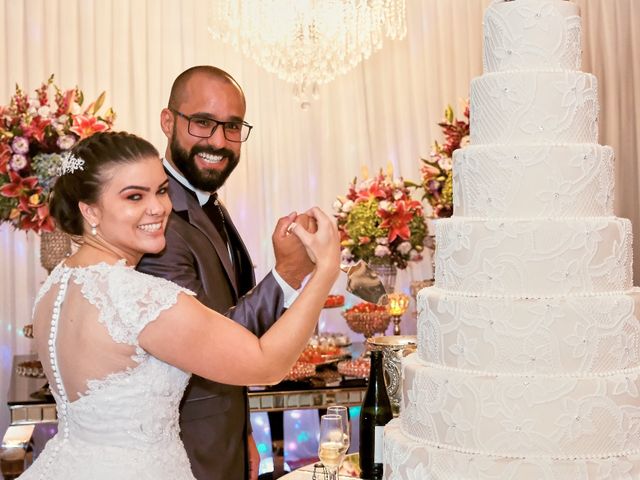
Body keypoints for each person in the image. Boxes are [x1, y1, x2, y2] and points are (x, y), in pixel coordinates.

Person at [17, 131, 339, 480]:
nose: (158, 208)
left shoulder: (55, 284)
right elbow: (267, 364)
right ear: (89, 210)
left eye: (161, 190)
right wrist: (325, 271)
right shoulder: (142, 299)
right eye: (134, 196)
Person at [136, 65, 313, 480]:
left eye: (232, 127)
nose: (218, 140)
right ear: (168, 121)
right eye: (202, 122)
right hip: (186, 452)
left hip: (222, 436)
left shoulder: (204, 202)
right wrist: (288, 273)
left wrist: (242, 430)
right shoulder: (156, 223)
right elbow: (213, 345)